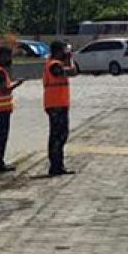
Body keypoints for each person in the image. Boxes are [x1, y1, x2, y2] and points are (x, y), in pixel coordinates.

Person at [0, 46, 24, 173]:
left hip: (0, 109)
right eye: (8, 56)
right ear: (2, 56)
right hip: (0, 109)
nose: (10, 59)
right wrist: (17, 84)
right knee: (1, 137)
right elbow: (4, 89)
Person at [43, 41, 78, 176]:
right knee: (58, 136)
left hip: (60, 104)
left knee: (61, 135)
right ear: (57, 51)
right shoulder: (53, 65)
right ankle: (55, 166)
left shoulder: (56, 63)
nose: (65, 53)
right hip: (55, 105)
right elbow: (73, 72)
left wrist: (69, 58)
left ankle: (58, 165)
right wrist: (70, 58)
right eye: (63, 51)